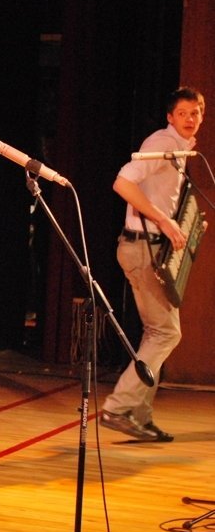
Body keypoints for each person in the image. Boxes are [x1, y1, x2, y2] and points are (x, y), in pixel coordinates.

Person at [99, 86, 205, 443]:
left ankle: (139, 416)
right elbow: (123, 183)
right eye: (183, 113)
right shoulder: (161, 143)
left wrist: (184, 226)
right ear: (170, 117)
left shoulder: (180, 148)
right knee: (166, 333)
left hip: (151, 248)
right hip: (141, 248)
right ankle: (118, 408)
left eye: (196, 112)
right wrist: (163, 220)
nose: (190, 118)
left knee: (157, 333)